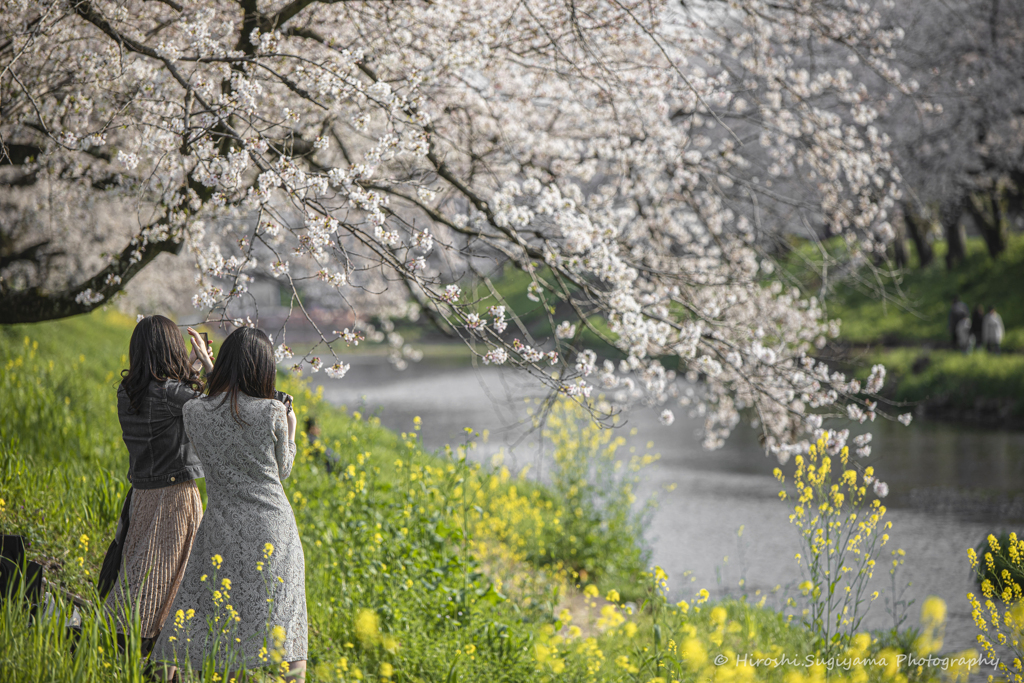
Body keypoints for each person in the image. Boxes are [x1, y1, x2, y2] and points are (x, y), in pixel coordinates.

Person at [151, 327, 306, 681]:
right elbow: (284, 469)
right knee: (286, 627)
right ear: (263, 368)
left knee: (217, 616)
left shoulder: (193, 411)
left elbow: (219, 406)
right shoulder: (272, 412)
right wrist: (292, 428)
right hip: (273, 528)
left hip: (221, 528)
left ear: (223, 364)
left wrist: (208, 370)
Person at [105, 316, 213, 651]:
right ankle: (146, 647)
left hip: (142, 495)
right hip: (173, 497)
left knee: (142, 568)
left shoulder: (129, 392)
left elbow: (179, 398)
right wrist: (208, 367)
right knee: (166, 576)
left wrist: (190, 371)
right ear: (170, 349)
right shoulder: (170, 394)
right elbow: (213, 411)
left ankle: (120, 641)